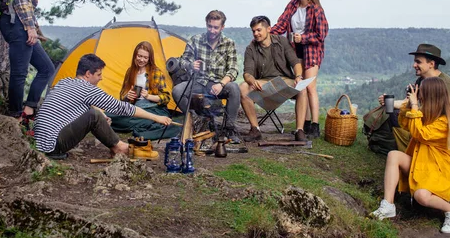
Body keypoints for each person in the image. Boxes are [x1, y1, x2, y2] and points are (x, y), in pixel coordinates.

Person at [34, 54, 172, 159]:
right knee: (94, 116)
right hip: (52, 146)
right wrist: (156, 117)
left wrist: (102, 116)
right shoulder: (87, 89)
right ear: (88, 74)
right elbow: (123, 108)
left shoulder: (64, 82)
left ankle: (116, 145)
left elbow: (80, 105)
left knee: (95, 114)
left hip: (39, 141)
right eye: (99, 74)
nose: (101, 78)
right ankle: (119, 148)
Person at [371, 77, 450, 234]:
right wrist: (408, 104)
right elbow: (405, 124)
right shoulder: (427, 114)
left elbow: (421, 134)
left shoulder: (445, 122)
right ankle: (388, 205)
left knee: (422, 196)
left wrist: (414, 105)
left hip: (436, 171)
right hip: (421, 163)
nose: (420, 96)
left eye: (422, 93)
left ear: (431, 96)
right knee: (393, 155)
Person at [0, 0, 56, 131]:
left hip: (22, 24)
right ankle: (14, 115)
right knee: (20, 72)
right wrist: (29, 27)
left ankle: (29, 108)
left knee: (47, 68)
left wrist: (35, 30)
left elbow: (27, 5)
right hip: (16, 24)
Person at [271, 0, 328, 140]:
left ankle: (315, 126)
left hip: (311, 51)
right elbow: (282, 24)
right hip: (295, 51)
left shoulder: (316, 9)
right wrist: (268, 32)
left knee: (310, 87)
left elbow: (321, 35)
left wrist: (302, 39)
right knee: (300, 86)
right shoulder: (292, 4)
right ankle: (306, 123)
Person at [172, 10, 241, 143]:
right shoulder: (196, 40)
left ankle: (229, 129)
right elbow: (182, 61)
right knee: (177, 91)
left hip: (218, 83)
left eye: (216, 27)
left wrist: (221, 84)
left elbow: (233, 69)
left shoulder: (228, 43)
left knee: (234, 88)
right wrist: (191, 65)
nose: (212, 30)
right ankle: (197, 120)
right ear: (206, 24)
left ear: (222, 27)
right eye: (210, 26)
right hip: (198, 82)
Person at [240, 16, 305, 142]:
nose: (256, 34)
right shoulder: (251, 49)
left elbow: (295, 62)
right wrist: (251, 80)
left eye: (259, 30)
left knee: (302, 88)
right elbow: (247, 73)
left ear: (268, 29)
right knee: (243, 87)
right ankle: (255, 129)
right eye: (253, 31)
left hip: (285, 81)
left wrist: (298, 76)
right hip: (264, 83)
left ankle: (299, 130)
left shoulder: (282, 41)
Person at [379, 44, 450, 133]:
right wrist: (389, 102)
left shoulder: (443, 83)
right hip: (432, 119)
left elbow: (441, 114)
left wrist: (415, 111)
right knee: (393, 115)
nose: (414, 65)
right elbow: (409, 102)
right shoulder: (421, 81)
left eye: (418, 62)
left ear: (431, 64)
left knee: (406, 119)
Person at [106, 42, 179, 139]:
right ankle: (145, 124)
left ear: (149, 59)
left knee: (136, 119)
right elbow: (122, 95)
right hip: (135, 108)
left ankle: (146, 122)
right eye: (139, 56)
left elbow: (166, 98)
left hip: (154, 109)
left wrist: (148, 96)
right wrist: (127, 96)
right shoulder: (130, 71)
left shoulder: (156, 72)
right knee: (107, 115)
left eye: (145, 57)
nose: (141, 60)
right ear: (135, 55)